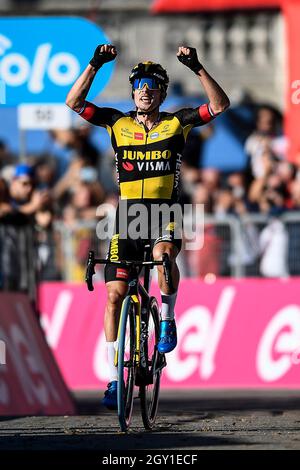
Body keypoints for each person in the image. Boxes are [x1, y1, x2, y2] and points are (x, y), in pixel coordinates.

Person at [66, 44, 230, 409]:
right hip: (126, 218)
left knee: (164, 255)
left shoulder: (177, 122)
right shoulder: (117, 122)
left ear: (161, 93)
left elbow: (219, 107)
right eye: (139, 84)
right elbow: (74, 102)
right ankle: (113, 380)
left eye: (151, 85)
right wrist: (94, 63)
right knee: (113, 296)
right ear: (133, 91)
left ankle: (168, 318)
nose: (144, 89)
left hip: (163, 213)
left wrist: (198, 67)